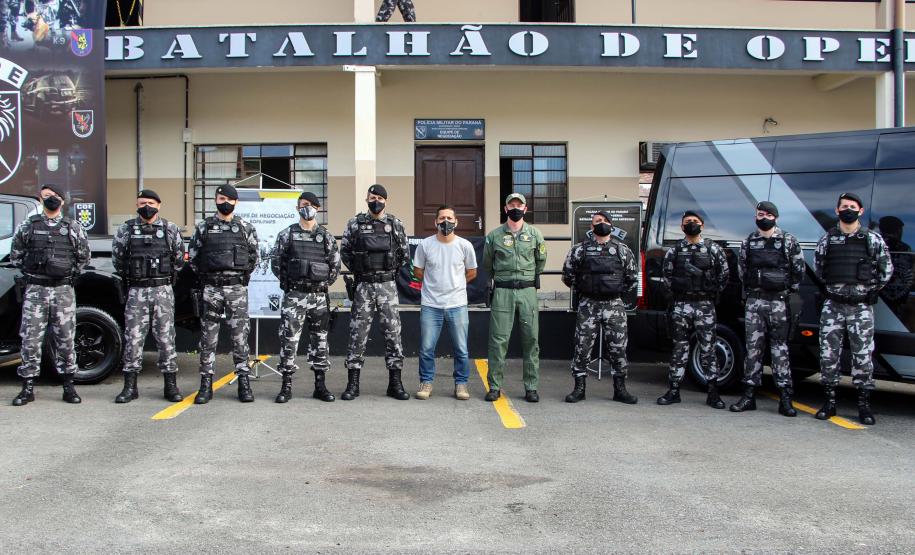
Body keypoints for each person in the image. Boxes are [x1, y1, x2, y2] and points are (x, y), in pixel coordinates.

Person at [813, 192, 892, 426]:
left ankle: (863, 406)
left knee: (862, 357)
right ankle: (829, 403)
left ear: (860, 211)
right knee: (829, 355)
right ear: (837, 211)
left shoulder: (872, 239)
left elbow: (886, 269)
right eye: (843, 206)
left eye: (852, 206)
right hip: (833, 306)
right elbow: (819, 268)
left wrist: (869, 289)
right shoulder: (827, 239)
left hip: (860, 308)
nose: (848, 209)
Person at [9, 184, 91, 406]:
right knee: (30, 340)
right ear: (40, 199)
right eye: (46, 197)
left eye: (54, 196)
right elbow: (16, 256)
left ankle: (69, 386)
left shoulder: (73, 227)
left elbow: (83, 257)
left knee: (65, 339)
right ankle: (27, 388)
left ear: (62, 201)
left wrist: (63, 273)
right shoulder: (28, 226)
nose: (50, 200)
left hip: (63, 291)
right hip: (36, 290)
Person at [729, 201, 804, 416]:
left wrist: (782, 289)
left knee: (780, 349)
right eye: (759, 214)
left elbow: (798, 272)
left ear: (775, 217)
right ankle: (748, 396)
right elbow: (742, 272)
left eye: (766, 214)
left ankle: (785, 399)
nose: (762, 217)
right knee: (753, 349)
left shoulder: (788, 241)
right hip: (755, 302)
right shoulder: (749, 242)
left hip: (779, 302)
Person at [111, 189, 186, 404]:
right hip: (137, 291)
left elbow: (179, 260)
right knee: (133, 338)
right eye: (143, 202)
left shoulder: (170, 229)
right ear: (136, 204)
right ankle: (130, 387)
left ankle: (170, 386)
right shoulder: (126, 229)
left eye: (151, 202)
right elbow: (118, 258)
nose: (147, 206)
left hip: (162, 290)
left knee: (166, 339)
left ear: (159, 205)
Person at [188, 185, 259, 404]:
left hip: (237, 289)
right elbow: (193, 258)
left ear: (236, 202)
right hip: (211, 289)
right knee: (208, 338)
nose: (225, 202)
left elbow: (254, 257)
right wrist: (209, 279)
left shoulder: (246, 228)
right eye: (221, 198)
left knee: (240, 338)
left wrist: (238, 278)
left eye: (229, 198)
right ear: (215, 200)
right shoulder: (204, 227)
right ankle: (205, 384)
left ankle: (243, 383)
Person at [340, 184, 409, 400]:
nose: (376, 200)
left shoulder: (395, 224)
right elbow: (345, 252)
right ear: (366, 199)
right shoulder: (355, 223)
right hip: (363, 286)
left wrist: (388, 273)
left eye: (379, 197)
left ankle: (395, 383)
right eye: (372, 197)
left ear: (386, 201)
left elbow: (404, 254)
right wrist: (361, 270)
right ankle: (353, 384)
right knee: (357, 335)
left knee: (393, 334)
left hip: (387, 286)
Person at [562, 211, 638, 404]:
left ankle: (620, 389)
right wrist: (586, 289)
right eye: (597, 221)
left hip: (614, 305)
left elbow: (631, 278)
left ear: (611, 225)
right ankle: (579, 389)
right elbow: (568, 275)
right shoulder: (580, 250)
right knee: (582, 347)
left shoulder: (622, 250)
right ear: (591, 227)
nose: (601, 224)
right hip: (589, 304)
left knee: (618, 348)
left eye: (604, 221)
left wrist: (614, 290)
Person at [271, 192, 341, 404]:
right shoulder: (287, 234)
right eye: (303, 204)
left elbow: (335, 266)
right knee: (289, 340)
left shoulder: (326, 237)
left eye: (310, 205)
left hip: (318, 297)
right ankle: (286, 386)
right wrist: (292, 283)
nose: (306, 208)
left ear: (317, 208)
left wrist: (319, 284)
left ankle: (320, 385)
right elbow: (276, 264)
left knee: (320, 340)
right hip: (295, 296)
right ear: (297, 208)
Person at [657, 210, 730, 409]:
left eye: (695, 221)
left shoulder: (713, 249)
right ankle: (673, 391)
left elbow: (724, 276)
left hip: (705, 305)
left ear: (702, 225)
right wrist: (675, 298)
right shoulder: (675, 250)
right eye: (687, 222)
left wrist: (709, 292)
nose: (691, 224)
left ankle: (713, 393)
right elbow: (666, 277)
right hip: (681, 305)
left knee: (708, 348)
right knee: (679, 348)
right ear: (681, 227)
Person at [482, 193, 547, 403]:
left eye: (519, 205)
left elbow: (541, 261)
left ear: (525, 209)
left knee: (531, 340)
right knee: (498, 340)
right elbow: (487, 263)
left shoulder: (535, 234)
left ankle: (531, 387)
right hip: (503, 291)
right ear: (505, 208)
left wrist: (527, 279)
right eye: (512, 205)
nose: (516, 208)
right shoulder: (494, 236)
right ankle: (494, 386)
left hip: (527, 292)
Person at [412, 205, 478, 400]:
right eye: (442, 218)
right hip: (431, 305)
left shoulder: (464, 245)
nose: (445, 222)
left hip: (457, 304)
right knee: (426, 348)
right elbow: (417, 270)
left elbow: (472, 272)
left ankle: (461, 384)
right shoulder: (425, 245)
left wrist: (456, 284)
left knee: (461, 349)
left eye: (449, 218)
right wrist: (434, 284)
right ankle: (426, 383)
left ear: (456, 222)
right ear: (435, 222)